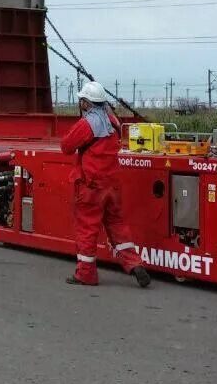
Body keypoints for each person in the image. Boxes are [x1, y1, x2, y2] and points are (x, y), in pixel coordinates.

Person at [61, 81, 151, 288]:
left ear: (86, 103)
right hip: (112, 185)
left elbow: (66, 146)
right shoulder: (113, 122)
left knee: (87, 229)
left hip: (91, 186)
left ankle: (86, 274)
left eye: (81, 100)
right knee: (117, 225)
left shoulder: (86, 124)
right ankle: (135, 264)